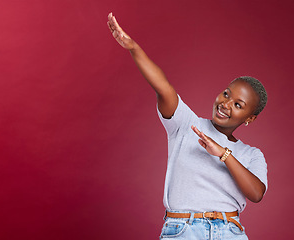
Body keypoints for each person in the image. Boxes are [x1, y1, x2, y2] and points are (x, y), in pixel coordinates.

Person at [107, 12, 268, 240]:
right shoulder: (186, 124)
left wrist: (223, 154)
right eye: (226, 94)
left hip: (229, 231)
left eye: (238, 105)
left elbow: (256, 193)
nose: (225, 104)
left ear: (249, 118)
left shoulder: (252, 155)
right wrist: (134, 48)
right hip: (183, 230)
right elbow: (164, 88)